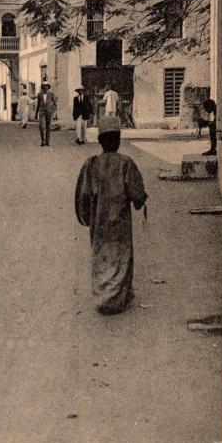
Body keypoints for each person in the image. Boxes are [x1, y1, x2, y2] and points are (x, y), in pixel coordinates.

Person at [75, 116, 147, 315]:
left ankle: (102, 297)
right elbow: (137, 192)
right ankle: (118, 297)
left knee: (102, 255)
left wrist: (86, 217)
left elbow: (83, 195)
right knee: (122, 256)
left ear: (100, 141)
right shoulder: (126, 164)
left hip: (99, 223)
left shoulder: (92, 164)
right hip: (120, 222)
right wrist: (140, 201)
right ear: (118, 140)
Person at [35, 81, 57, 146]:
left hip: (49, 112)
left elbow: (55, 104)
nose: (45, 87)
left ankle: (47, 141)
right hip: (42, 112)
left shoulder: (51, 93)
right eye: (44, 86)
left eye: (46, 86)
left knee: (48, 127)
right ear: (42, 87)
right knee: (41, 126)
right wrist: (36, 114)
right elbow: (38, 104)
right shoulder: (39, 94)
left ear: (48, 87)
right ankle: (42, 141)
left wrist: (52, 111)